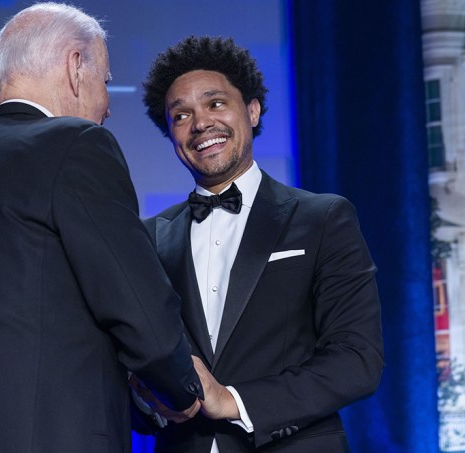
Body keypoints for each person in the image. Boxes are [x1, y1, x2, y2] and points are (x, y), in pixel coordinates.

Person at [0, 4, 203, 452]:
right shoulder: (75, 145)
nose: (106, 108)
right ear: (74, 66)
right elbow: (138, 305)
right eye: (106, 82)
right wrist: (183, 390)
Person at [135, 36, 385, 452]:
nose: (200, 124)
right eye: (181, 115)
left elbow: (357, 360)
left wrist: (232, 401)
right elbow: (137, 368)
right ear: (171, 134)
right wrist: (148, 400)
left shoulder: (322, 218)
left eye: (216, 104)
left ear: (252, 111)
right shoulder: (147, 237)